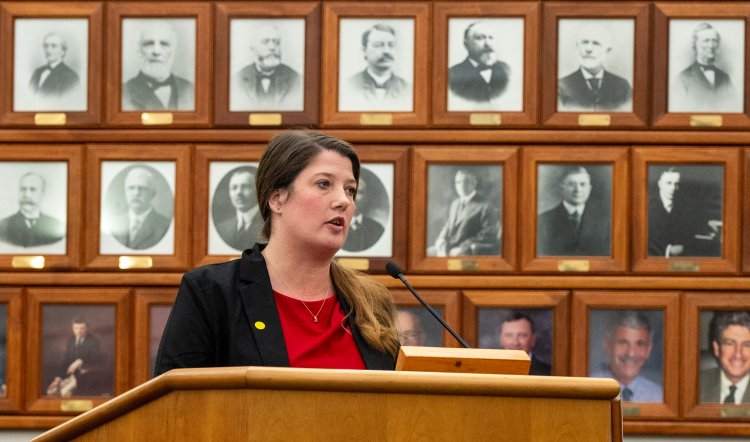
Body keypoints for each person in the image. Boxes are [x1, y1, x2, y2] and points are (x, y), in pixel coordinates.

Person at [155, 132, 399, 375]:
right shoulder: (211, 293)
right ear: (277, 199)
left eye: (350, 190)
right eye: (324, 184)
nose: (343, 201)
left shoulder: (371, 303)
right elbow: (176, 397)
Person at [647, 167, 721, 257]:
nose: (673, 188)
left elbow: (691, 230)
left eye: (676, 184)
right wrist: (668, 250)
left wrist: (708, 228)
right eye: (669, 183)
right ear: (660, 184)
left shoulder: (685, 207)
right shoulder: (647, 207)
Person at [537, 166, 610, 256]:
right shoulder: (543, 220)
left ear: (589, 189)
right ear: (562, 187)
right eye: (571, 184)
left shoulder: (604, 220)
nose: (577, 190)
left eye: (582, 184)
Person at [591, 311, 663, 403]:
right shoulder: (588, 389)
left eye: (640, 344)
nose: (631, 353)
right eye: (623, 342)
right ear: (607, 345)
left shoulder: (659, 395)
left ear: (648, 350)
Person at [557, 22, 632, 111]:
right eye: (585, 42)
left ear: (607, 50)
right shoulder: (562, 86)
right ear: (577, 47)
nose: (588, 49)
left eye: (596, 43)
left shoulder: (622, 87)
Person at [122, 21, 194, 111]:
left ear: (174, 50)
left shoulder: (192, 90)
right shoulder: (122, 93)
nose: (156, 51)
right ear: (139, 50)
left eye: (164, 44)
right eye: (149, 43)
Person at [429, 169, 500, 257]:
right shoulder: (455, 203)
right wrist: (441, 238)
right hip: (448, 246)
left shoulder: (486, 205)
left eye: (466, 182)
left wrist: (464, 248)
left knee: (452, 263)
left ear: (474, 184)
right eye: (458, 182)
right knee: (427, 253)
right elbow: (449, 224)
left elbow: (489, 233)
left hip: (470, 250)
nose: (461, 186)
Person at [233, 24, 302, 109]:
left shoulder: (297, 79)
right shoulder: (237, 80)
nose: (272, 47)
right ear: (252, 49)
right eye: (265, 42)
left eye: (277, 42)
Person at [673, 23, 735, 112]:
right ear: (695, 45)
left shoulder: (725, 78)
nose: (711, 45)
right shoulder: (682, 79)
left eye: (714, 40)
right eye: (706, 41)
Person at [109, 167, 171, 250]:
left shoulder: (165, 226)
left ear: (152, 194)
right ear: (125, 192)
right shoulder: (113, 224)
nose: (136, 193)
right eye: (131, 188)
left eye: (142, 188)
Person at [448, 21, 510, 104]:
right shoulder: (452, 75)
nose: (488, 44)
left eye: (491, 37)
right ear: (466, 45)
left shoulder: (506, 69)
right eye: (480, 38)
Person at [347, 24, 410, 106]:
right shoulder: (348, 86)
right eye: (378, 45)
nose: (386, 51)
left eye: (391, 45)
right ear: (364, 50)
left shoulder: (409, 89)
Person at [0, 172, 65, 248]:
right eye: (23, 189)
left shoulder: (56, 226)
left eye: (33, 189)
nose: (26, 195)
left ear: (42, 193)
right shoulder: (3, 226)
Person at [700, 311, 750, 404]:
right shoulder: (694, 384)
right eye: (730, 343)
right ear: (716, 349)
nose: (738, 354)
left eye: (747, 345)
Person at [46, 317, 104, 397]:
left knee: (64, 393)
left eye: (82, 328)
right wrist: (58, 379)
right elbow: (66, 359)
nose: (79, 331)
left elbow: (97, 358)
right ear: (73, 329)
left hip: (85, 376)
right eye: (76, 328)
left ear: (87, 328)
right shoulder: (71, 340)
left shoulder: (93, 341)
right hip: (70, 375)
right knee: (51, 392)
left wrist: (80, 361)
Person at [215, 167, 262, 251]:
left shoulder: (269, 225)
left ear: (257, 190)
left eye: (245, 187)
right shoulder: (222, 228)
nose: (238, 192)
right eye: (234, 188)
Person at [29, 32, 80, 97]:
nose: (48, 50)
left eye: (54, 46)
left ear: (63, 51)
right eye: (46, 46)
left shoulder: (71, 77)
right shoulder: (37, 72)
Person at [342, 176, 385, 252]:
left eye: (360, 192)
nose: (354, 197)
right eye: (350, 191)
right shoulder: (332, 227)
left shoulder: (377, 229)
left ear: (366, 198)